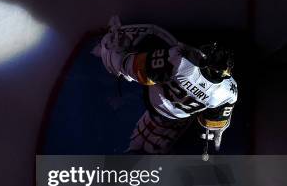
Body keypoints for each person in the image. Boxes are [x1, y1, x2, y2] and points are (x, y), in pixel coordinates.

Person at [95, 17, 238, 154]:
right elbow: (211, 123)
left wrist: (113, 56)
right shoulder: (229, 92)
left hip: (156, 102)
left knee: (134, 65)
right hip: (180, 115)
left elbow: (136, 70)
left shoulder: (180, 62)